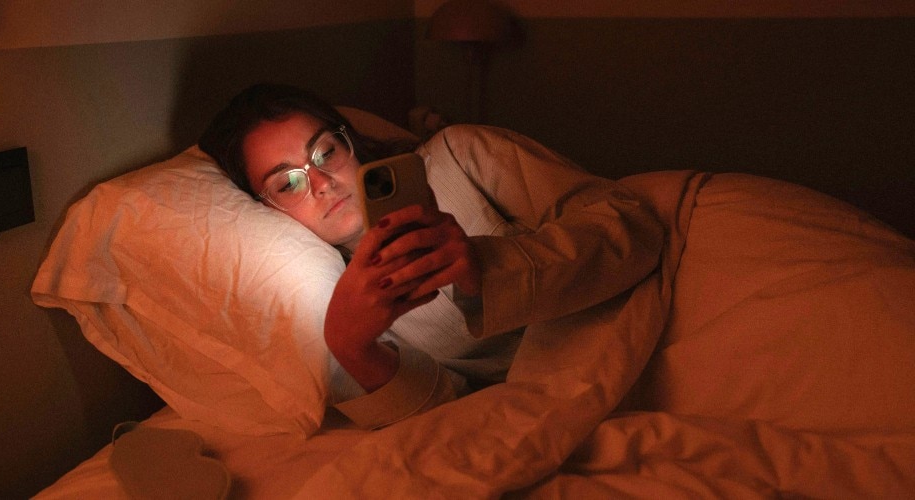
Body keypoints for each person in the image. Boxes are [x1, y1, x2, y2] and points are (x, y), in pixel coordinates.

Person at [198, 83, 664, 429]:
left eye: (324, 152)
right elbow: (440, 419)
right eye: (287, 183)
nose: (321, 182)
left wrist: (490, 268)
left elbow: (630, 224)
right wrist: (352, 347)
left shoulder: (458, 156)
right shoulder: (331, 299)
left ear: (349, 143)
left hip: (646, 323)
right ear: (266, 209)